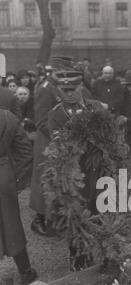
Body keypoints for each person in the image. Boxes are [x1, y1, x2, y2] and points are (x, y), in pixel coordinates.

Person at [47, 69, 105, 271]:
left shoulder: (94, 107)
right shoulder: (56, 114)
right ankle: (77, 259)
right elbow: (61, 141)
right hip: (72, 174)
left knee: (96, 210)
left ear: (81, 87)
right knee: (75, 213)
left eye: (73, 89)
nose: (69, 93)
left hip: (96, 169)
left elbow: (106, 133)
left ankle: (96, 254)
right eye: (65, 89)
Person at [30, 56, 75, 237]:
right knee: (44, 180)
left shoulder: (62, 88)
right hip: (47, 143)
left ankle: (55, 218)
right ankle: (39, 219)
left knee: (58, 181)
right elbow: (41, 121)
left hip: (60, 142)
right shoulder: (45, 89)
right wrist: (59, 136)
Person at [0, 108, 37, 285]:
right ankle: (25, 272)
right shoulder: (7, 117)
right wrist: (17, 180)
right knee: (12, 225)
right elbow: (25, 152)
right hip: (4, 176)